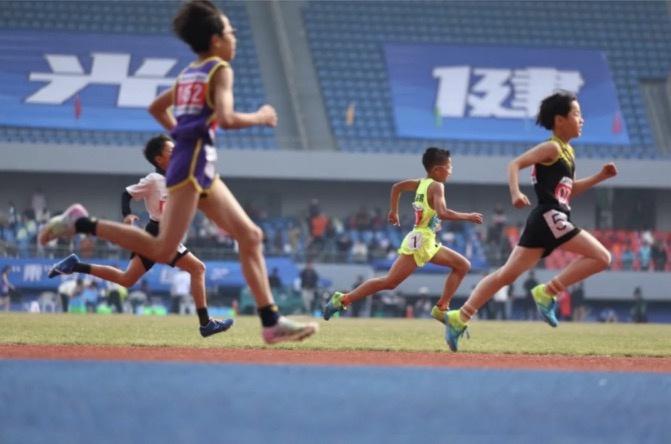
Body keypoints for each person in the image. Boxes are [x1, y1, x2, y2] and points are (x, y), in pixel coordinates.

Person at [38, 0, 317, 344]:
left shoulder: (188, 75)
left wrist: (182, 135)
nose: (235, 37)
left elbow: (157, 107)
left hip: (199, 165)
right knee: (164, 247)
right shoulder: (219, 70)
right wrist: (261, 117)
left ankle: (271, 321)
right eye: (230, 31)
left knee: (251, 235)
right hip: (192, 168)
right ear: (215, 39)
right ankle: (80, 223)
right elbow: (227, 119)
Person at [445, 91, 617, 351]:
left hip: (545, 219)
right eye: (577, 114)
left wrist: (600, 177)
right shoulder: (552, 148)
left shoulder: (567, 151)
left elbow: (567, 191)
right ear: (559, 120)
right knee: (602, 257)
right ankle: (548, 291)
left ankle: (460, 317)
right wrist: (515, 193)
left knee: (505, 275)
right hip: (550, 216)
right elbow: (515, 164)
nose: (582, 120)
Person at [47, 135, 232, 337]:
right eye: (171, 151)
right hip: (160, 234)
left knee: (126, 279)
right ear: (159, 159)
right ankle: (205, 324)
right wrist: (127, 214)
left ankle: (75, 266)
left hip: (161, 234)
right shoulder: (154, 180)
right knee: (198, 268)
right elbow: (126, 194)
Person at [323, 147, 483, 322]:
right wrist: (468, 216)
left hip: (427, 240)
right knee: (389, 282)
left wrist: (394, 211)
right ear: (437, 169)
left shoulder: (421, 183)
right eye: (449, 166)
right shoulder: (437, 186)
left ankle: (441, 307)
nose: (451, 171)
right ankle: (342, 299)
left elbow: (397, 187)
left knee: (462, 266)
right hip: (421, 241)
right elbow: (443, 212)